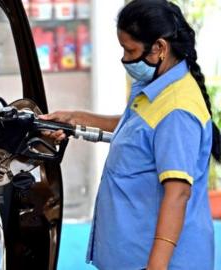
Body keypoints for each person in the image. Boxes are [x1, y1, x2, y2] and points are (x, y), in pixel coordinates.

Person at [40, 0, 219, 269]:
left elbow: (178, 193)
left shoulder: (177, 111)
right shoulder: (155, 86)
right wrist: (74, 119)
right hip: (131, 255)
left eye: (130, 50)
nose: (125, 59)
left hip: (157, 261)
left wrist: (156, 267)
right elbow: (134, 129)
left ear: (159, 48)